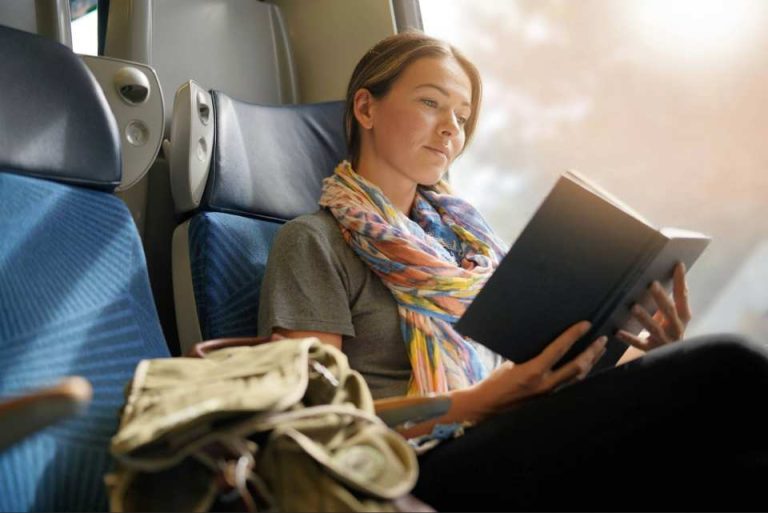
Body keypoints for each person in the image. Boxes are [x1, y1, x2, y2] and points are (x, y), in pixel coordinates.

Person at [257, 30, 768, 511]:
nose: (450, 129)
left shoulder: (469, 246)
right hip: (413, 467)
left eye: (461, 116)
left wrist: (644, 346)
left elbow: (524, 369)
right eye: (431, 102)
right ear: (366, 107)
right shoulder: (312, 242)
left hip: (507, 426)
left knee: (709, 436)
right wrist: (472, 403)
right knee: (730, 365)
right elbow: (315, 422)